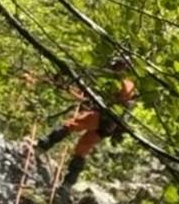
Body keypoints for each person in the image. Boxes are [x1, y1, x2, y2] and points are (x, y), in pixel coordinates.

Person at [37, 60, 137, 188]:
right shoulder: (127, 85)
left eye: (117, 66)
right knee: (82, 148)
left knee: (71, 125)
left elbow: (108, 98)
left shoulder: (119, 82)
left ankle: (43, 145)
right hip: (108, 126)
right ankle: (69, 181)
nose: (114, 68)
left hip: (102, 117)